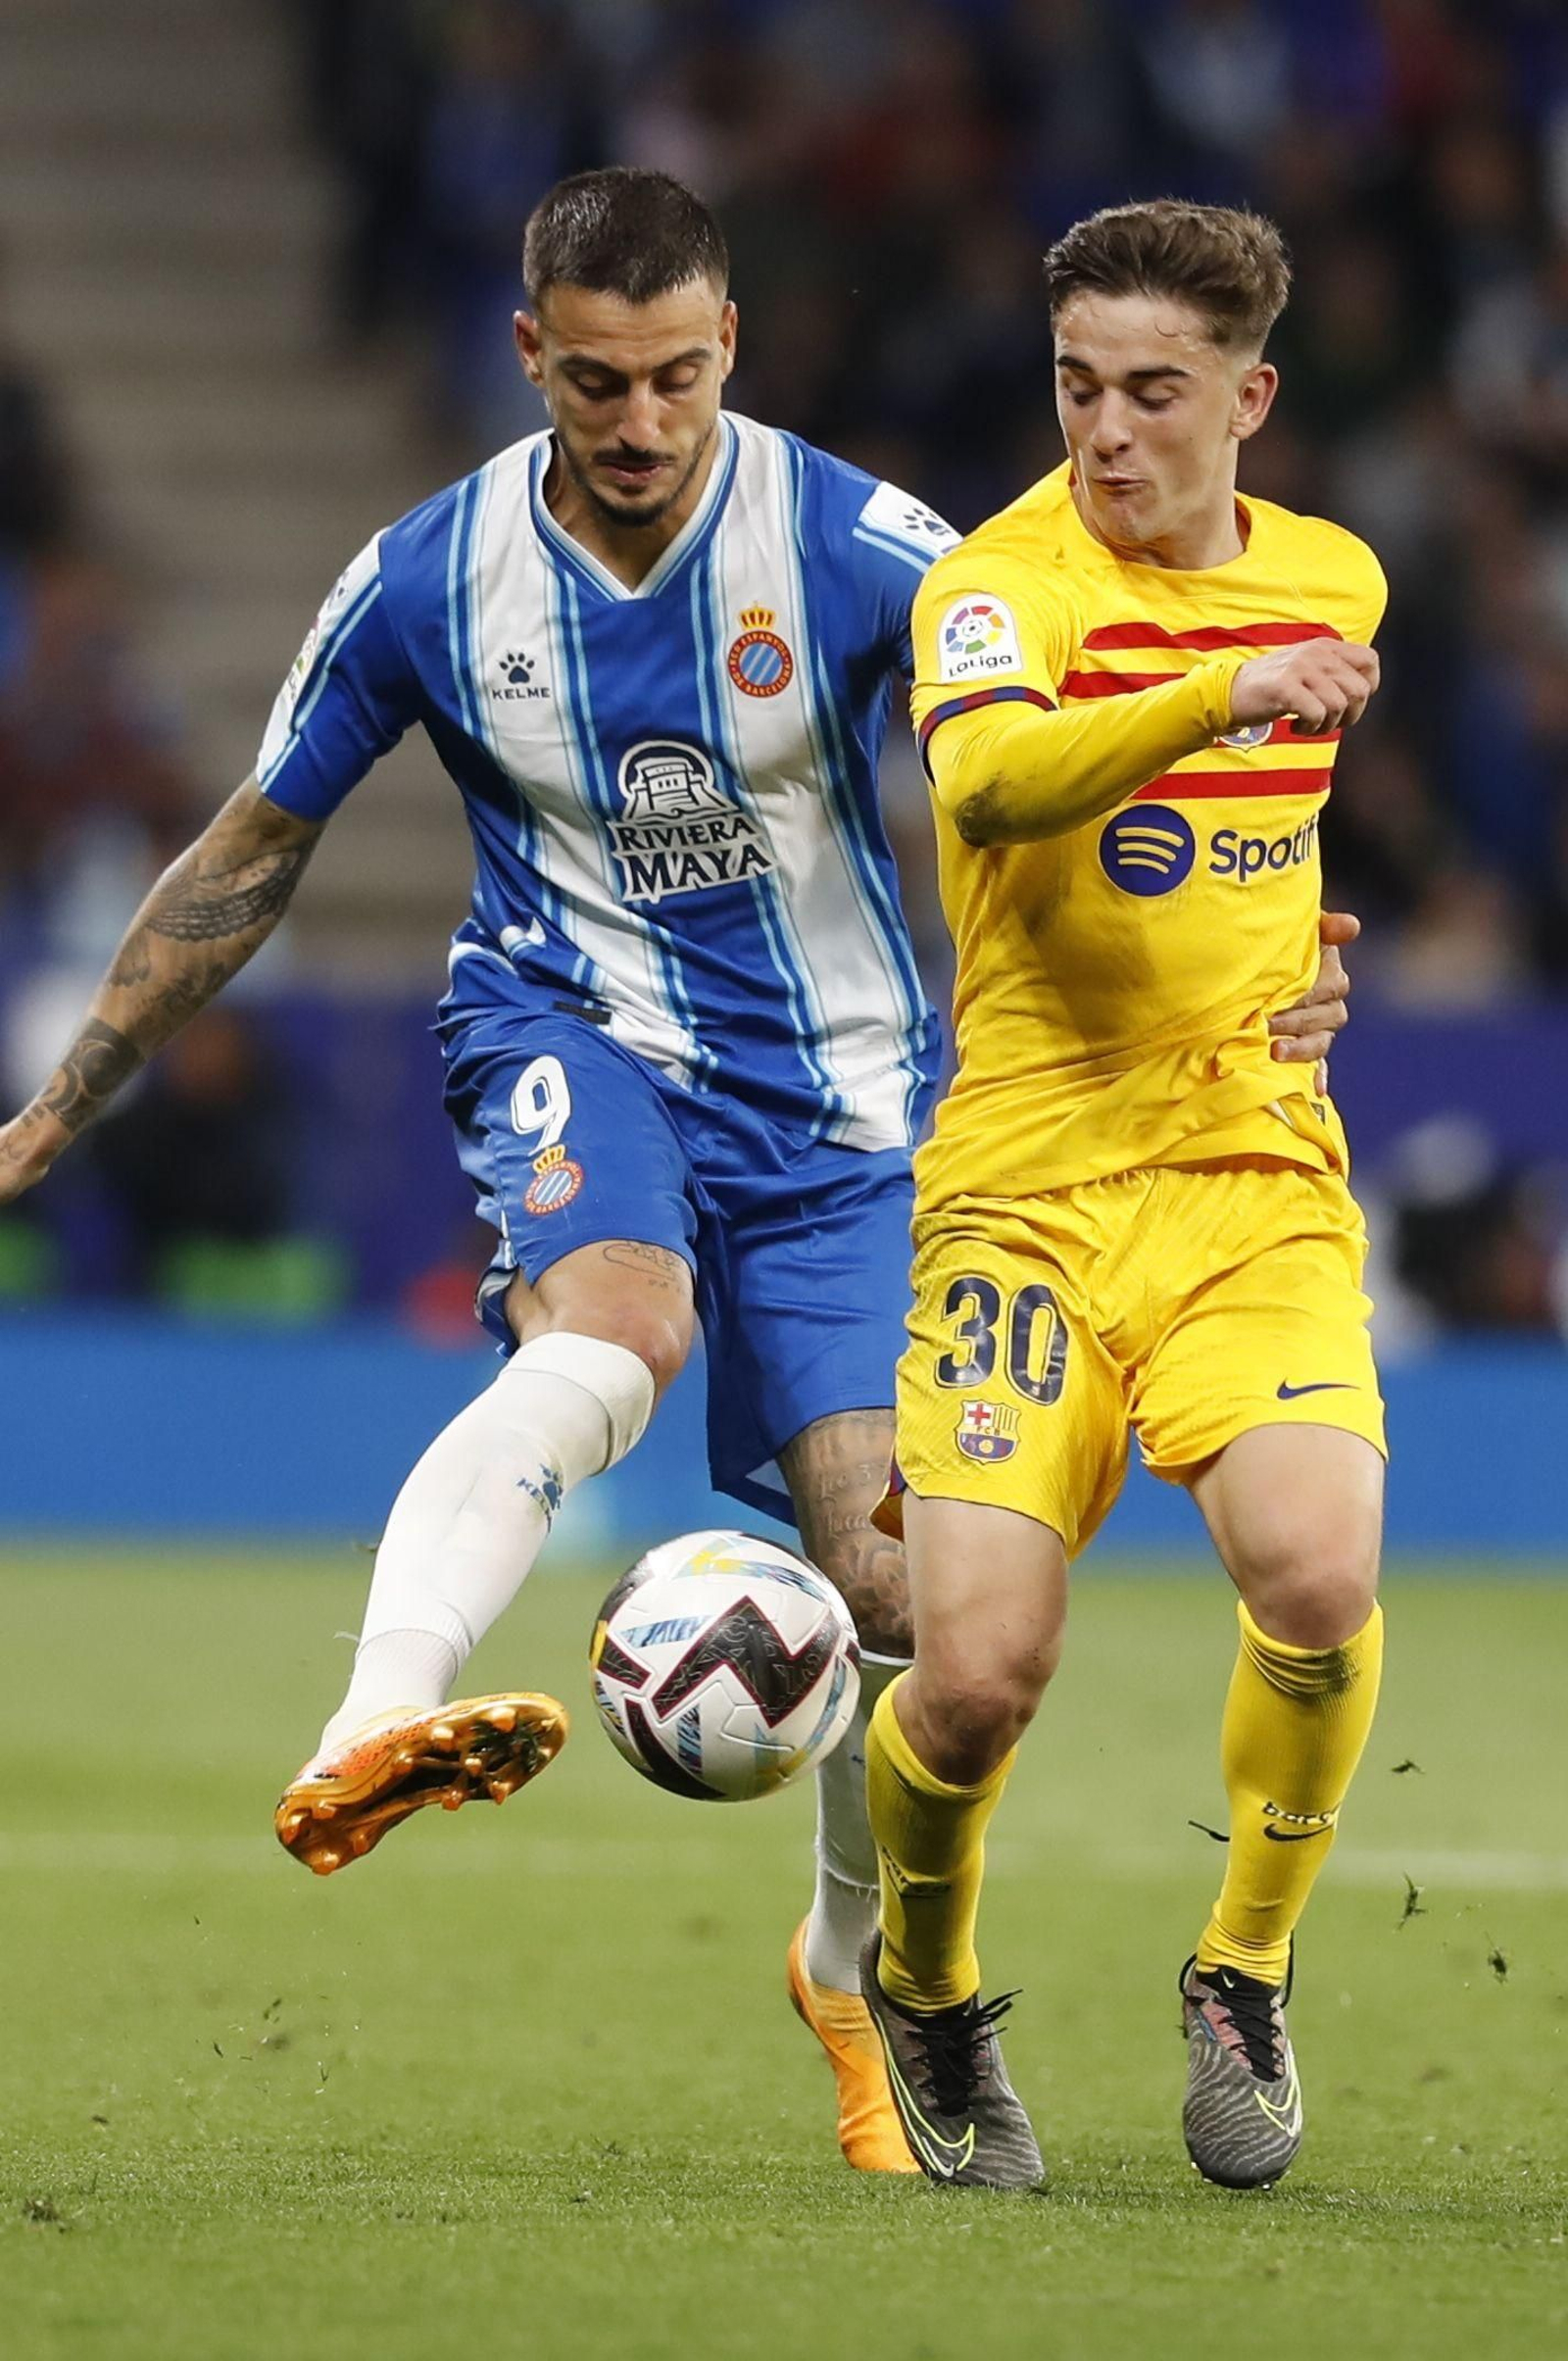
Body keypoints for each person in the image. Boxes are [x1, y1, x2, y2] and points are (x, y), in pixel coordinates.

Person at [0, 172, 1354, 2180]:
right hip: (573, 1027)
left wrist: (1265, 951)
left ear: (731, 351)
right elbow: (256, 842)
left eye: (679, 378)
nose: (639, 424)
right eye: (599, 383)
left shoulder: (852, 538)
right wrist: (54, 1107)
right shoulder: (425, 579)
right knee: (618, 1322)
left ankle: (846, 1967)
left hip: (841, 1108)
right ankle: (371, 1715)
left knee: (900, 1607)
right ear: (531, 356)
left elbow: (1044, 742)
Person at [858, 198, 1389, 2194]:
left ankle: (1238, 1968)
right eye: (1076, 386)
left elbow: (1250, 849)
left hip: (1247, 1170)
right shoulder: (998, 587)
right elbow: (990, 793)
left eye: (1152, 392)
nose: (1103, 431)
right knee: (977, 1669)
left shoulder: (1336, 573)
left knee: (1317, 1570)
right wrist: (1216, 696)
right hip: (1022, 1198)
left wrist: (1307, 960)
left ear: (1245, 398)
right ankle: (921, 1981)